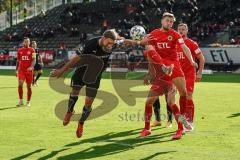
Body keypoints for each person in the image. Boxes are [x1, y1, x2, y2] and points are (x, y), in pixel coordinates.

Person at [50, 29, 143, 138]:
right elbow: (75, 59)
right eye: (108, 43)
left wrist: (139, 42)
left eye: (112, 44)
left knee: (89, 102)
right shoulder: (90, 44)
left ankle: (81, 123)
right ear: (103, 38)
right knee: (75, 91)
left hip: (95, 75)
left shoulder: (113, 43)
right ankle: (70, 111)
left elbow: (125, 41)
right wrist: (61, 71)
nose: (110, 46)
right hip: (82, 70)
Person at [140, 12, 197, 140]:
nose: (169, 23)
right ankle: (147, 128)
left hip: (174, 67)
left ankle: (180, 129)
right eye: (167, 21)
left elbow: (185, 48)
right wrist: (142, 41)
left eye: (171, 22)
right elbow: (147, 48)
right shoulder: (154, 34)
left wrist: (192, 61)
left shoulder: (175, 34)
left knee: (181, 96)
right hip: (161, 70)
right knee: (149, 101)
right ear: (162, 21)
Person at [177, 23, 205, 131]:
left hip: (189, 73)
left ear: (187, 31)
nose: (181, 31)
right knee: (182, 97)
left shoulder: (191, 43)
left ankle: (189, 121)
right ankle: (183, 120)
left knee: (188, 95)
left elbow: (201, 58)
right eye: (179, 29)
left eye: (183, 29)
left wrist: (200, 72)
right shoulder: (175, 44)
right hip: (178, 74)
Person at [16, 37, 36, 107]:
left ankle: (28, 101)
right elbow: (18, 61)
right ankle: (21, 101)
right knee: (20, 84)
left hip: (29, 71)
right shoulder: (19, 50)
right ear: (23, 42)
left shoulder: (32, 50)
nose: (26, 43)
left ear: (29, 42)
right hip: (21, 70)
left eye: (27, 41)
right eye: (25, 41)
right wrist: (16, 70)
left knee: (29, 86)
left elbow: (34, 60)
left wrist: (31, 66)